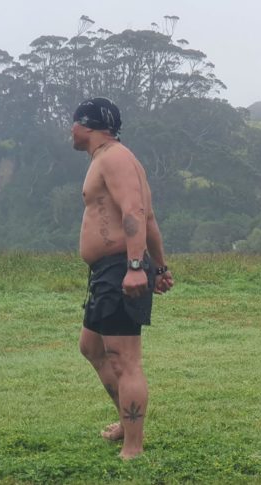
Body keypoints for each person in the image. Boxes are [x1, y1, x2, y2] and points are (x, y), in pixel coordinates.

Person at [72, 97, 174, 460]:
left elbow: (135, 212)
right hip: (107, 271)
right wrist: (159, 267)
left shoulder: (114, 157)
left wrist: (135, 267)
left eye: (75, 123)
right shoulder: (110, 158)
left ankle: (134, 446)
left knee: (124, 358)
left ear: (86, 125)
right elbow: (149, 220)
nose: (71, 130)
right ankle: (124, 422)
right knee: (92, 348)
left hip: (120, 268)